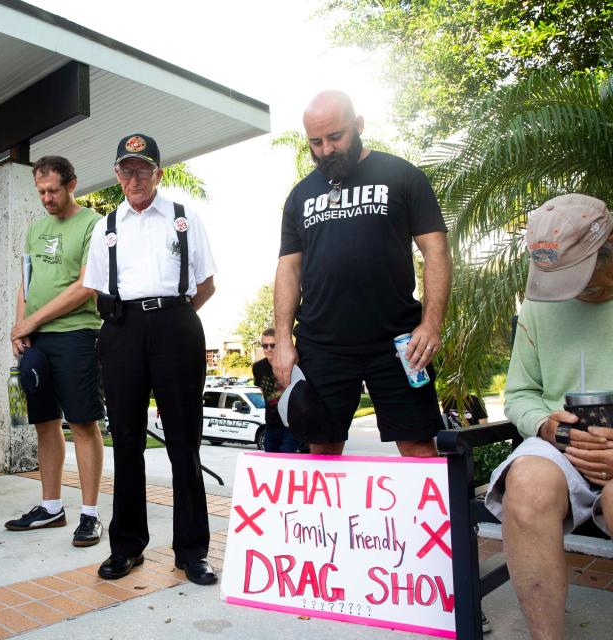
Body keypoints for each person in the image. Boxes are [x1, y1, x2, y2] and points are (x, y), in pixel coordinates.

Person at [272, 90, 452, 457]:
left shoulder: (401, 175)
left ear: (358, 126)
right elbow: (288, 267)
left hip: (399, 343)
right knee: (320, 449)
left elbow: (436, 250)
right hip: (322, 344)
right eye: (316, 142)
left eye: (335, 137)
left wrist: (431, 324)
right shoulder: (300, 196)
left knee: (419, 447)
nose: (325, 149)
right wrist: (283, 340)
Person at [82, 134, 218, 585]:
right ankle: (126, 547)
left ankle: (193, 550)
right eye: (126, 169)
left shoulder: (183, 217)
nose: (134, 177)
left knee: (184, 440)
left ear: (159, 173)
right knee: (127, 441)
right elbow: (98, 287)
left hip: (176, 325)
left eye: (143, 168)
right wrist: (138, 324)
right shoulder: (106, 227)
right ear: (117, 175)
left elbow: (205, 284)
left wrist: (171, 320)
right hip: (122, 329)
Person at [485, 193, 613, 640]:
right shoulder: (539, 305)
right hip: (562, 447)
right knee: (527, 487)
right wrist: (545, 424)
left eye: (579, 276)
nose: (569, 292)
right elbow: (520, 394)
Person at [5, 156, 105, 546]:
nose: (46, 198)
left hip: (77, 333)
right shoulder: (36, 228)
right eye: (41, 191)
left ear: (71, 184)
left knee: (82, 422)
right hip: (36, 340)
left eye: (53, 190)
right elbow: (25, 283)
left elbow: (87, 286)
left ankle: (90, 514)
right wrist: (20, 326)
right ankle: (51, 507)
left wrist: (32, 321)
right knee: (44, 422)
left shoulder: (94, 225)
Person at [252, 328, 302, 452]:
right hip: (271, 425)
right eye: (265, 345)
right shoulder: (258, 368)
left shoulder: (292, 364)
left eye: (273, 345)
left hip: (292, 425)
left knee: (287, 460)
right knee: (270, 463)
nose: (268, 349)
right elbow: (264, 394)